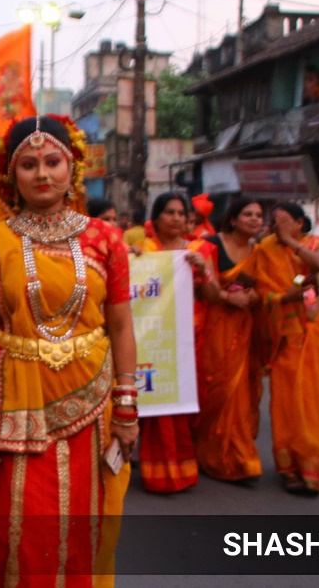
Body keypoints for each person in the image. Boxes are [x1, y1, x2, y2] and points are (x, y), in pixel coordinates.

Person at [0, 114, 136, 587]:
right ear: (11, 176)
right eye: (28, 164)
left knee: (85, 524)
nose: (43, 174)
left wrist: (127, 404)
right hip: (13, 403)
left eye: (53, 161)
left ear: (73, 167)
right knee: (17, 526)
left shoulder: (105, 239)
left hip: (92, 404)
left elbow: (122, 325)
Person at [251, 203, 319, 493]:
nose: (274, 226)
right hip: (283, 336)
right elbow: (260, 292)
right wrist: (284, 298)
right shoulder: (265, 249)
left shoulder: (316, 244)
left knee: (308, 403)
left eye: (281, 221)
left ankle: (311, 466)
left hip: (311, 331)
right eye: (273, 222)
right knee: (285, 404)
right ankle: (287, 467)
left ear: (299, 223)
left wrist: (288, 241)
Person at [135, 192, 210, 494]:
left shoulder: (198, 250)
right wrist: (132, 261)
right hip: (154, 338)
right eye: (170, 212)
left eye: (182, 213)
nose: (177, 218)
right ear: (155, 218)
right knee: (155, 404)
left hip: (190, 338)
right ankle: (156, 471)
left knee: (185, 405)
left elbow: (213, 293)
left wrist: (203, 270)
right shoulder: (143, 250)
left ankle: (185, 468)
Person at [188, 197, 264, 483]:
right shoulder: (211, 244)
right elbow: (205, 287)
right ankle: (206, 453)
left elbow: (264, 286)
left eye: (258, 214)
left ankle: (238, 456)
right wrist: (228, 296)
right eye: (248, 213)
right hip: (213, 323)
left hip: (242, 325)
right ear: (233, 218)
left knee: (239, 391)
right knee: (213, 387)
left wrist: (255, 297)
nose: (255, 219)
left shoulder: (258, 251)